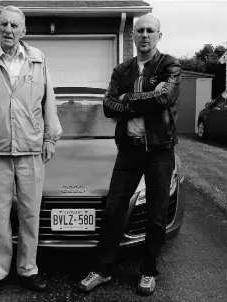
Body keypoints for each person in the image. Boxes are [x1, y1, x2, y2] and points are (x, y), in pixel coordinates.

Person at [77, 14, 181, 296]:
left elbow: (164, 99)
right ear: (133, 36)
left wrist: (128, 99)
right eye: (140, 31)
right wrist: (144, 98)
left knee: (155, 214)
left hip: (159, 152)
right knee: (113, 209)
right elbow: (109, 107)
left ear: (159, 35)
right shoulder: (121, 71)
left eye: (150, 31)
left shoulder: (170, 65)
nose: (145, 35)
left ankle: (148, 271)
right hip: (129, 151)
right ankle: (103, 269)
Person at [0, 6, 62, 298]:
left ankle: (28, 269)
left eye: (14, 25)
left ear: (23, 31)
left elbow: (49, 100)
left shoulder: (37, 58)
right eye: (4, 24)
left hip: (31, 150)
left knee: (30, 215)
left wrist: (50, 138)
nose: (8, 29)